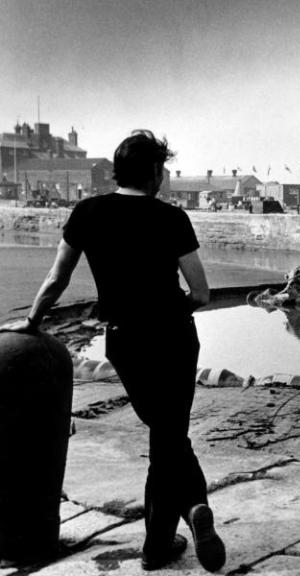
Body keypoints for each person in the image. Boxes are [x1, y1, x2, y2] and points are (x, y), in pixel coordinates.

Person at [0, 130, 226, 572]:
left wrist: (32, 321)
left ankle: (166, 539)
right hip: (175, 337)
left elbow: (56, 279)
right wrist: (168, 308)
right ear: (156, 174)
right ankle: (187, 513)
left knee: (165, 434)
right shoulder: (172, 218)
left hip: (127, 339)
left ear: (117, 172)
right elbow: (201, 293)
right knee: (170, 434)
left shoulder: (87, 212)